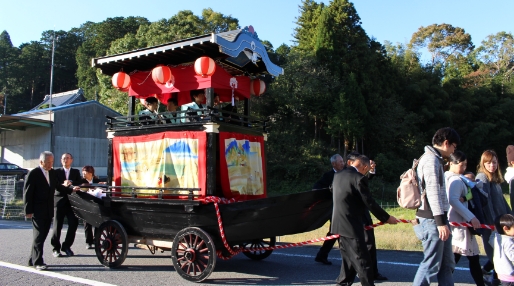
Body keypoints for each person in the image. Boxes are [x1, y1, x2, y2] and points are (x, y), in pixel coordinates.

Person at [331, 155, 397, 286]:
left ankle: (343, 282)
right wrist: (386, 218)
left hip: (338, 223)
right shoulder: (359, 178)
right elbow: (369, 202)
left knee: (348, 260)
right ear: (365, 166)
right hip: (352, 225)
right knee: (363, 261)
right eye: (366, 170)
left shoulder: (339, 175)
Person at [413, 127, 460, 285]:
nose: (454, 150)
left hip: (437, 219)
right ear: (446, 143)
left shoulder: (435, 159)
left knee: (446, 265)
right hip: (432, 219)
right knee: (431, 265)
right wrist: (440, 222)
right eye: (454, 146)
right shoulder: (431, 160)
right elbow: (432, 192)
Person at [23, 151, 78, 270]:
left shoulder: (52, 172)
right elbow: (28, 193)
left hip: (49, 209)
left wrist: (71, 190)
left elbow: (58, 186)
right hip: (37, 210)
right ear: (41, 161)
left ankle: (32, 259)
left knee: (42, 235)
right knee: (39, 235)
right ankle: (38, 261)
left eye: (51, 162)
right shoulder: (34, 173)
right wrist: (28, 210)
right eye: (48, 162)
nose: (50, 165)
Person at [444, 151, 485, 285]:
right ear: (451, 163)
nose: (464, 168)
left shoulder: (447, 177)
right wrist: (471, 217)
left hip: (457, 222)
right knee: (458, 256)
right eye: (461, 165)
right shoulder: (455, 179)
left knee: (466, 257)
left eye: (465, 165)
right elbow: (454, 200)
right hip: (459, 223)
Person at [476, 150, 511, 282]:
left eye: (494, 162)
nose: (492, 165)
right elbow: (486, 203)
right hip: (490, 225)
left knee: (501, 256)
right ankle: (488, 277)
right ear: (483, 163)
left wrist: (511, 218)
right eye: (489, 162)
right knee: (496, 257)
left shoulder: (495, 179)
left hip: (500, 225)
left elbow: (502, 201)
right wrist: (493, 224)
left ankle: (490, 276)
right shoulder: (482, 178)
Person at [313, 154, 345, 265]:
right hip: (334, 208)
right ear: (334, 164)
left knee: (335, 232)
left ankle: (321, 255)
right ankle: (347, 259)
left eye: (342, 161)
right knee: (338, 232)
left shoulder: (346, 172)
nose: (342, 163)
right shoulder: (328, 176)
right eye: (340, 162)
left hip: (345, 207)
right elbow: (316, 187)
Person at [50, 153, 82, 258]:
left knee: (73, 224)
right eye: (63, 158)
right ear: (61, 160)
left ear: (71, 160)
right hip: (59, 201)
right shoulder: (56, 172)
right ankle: (56, 248)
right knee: (57, 226)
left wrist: (71, 182)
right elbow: (56, 185)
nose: (65, 160)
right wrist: (65, 185)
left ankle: (66, 246)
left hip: (72, 202)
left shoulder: (76, 172)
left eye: (68, 158)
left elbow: (79, 183)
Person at [81, 165, 101, 249]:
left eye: (84, 172)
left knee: (97, 223)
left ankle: (96, 240)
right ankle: (88, 242)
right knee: (87, 223)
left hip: (96, 205)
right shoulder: (81, 180)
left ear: (90, 173)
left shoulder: (97, 180)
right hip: (85, 204)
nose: (83, 174)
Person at [492, 214, 514, 285]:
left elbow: (490, 240)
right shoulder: (508, 241)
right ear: (505, 229)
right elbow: (512, 256)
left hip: (501, 273)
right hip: (510, 275)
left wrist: (494, 231)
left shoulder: (497, 238)